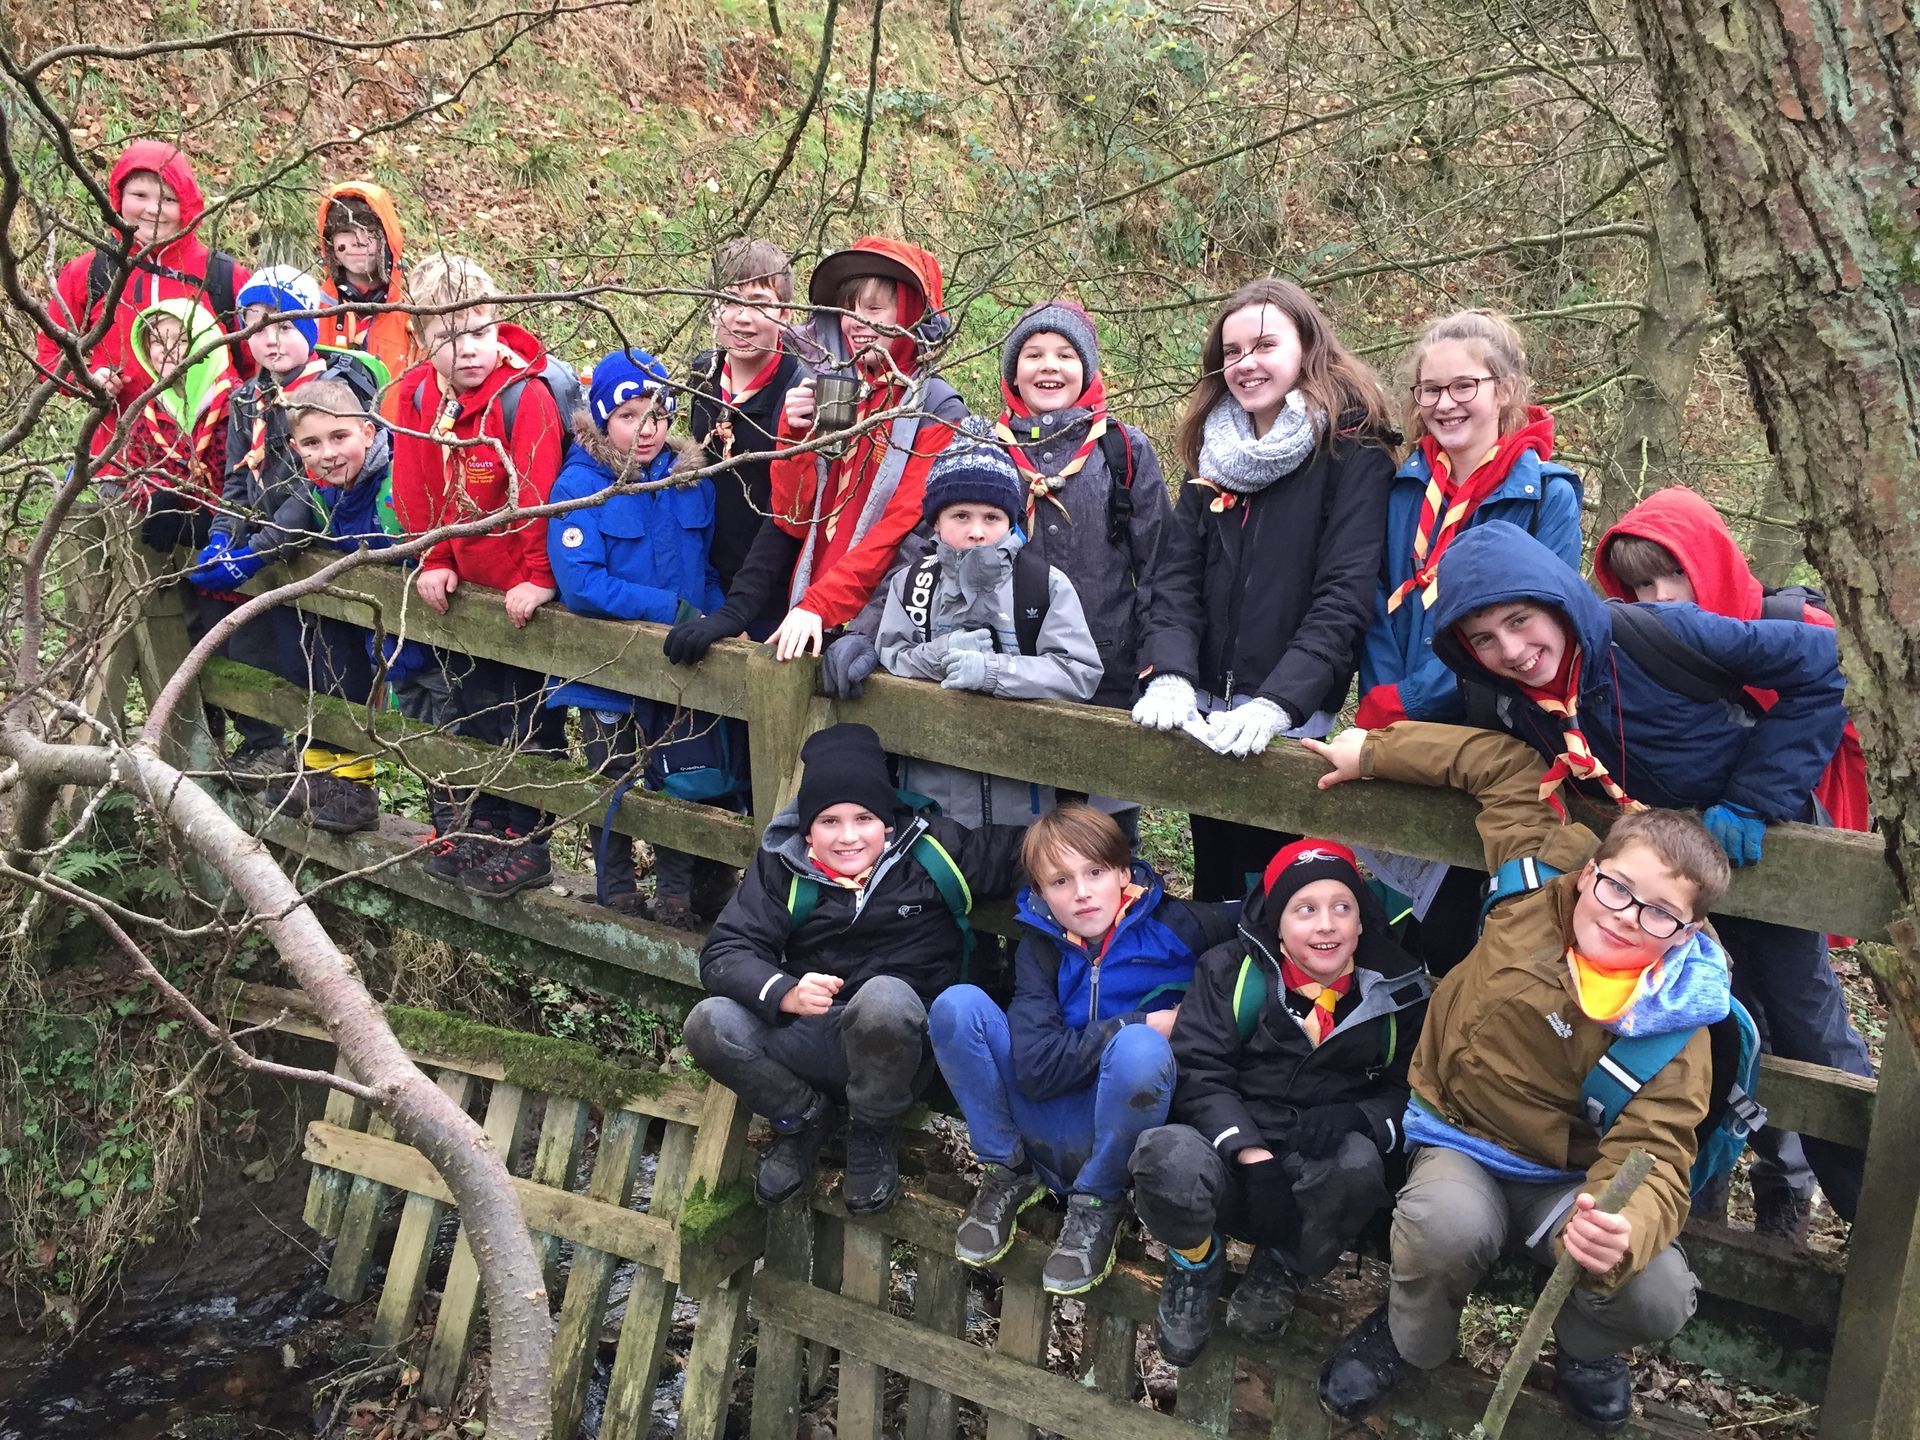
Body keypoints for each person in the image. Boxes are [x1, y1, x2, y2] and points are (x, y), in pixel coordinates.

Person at [1308, 722, 1731, 1433]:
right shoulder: (1537, 882)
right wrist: (1374, 751)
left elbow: (1657, 1150)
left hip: (1568, 1180)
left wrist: (1618, 1228)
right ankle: (1412, 1342)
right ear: (1592, 870)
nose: (1627, 918)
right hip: (1461, 1137)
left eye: (1660, 913)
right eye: (1618, 888)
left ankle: (1587, 1350)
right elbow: (1497, 765)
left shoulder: (1677, 1023)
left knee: (1654, 1292)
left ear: (1686, 933)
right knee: (1441, 1227)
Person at [1593, 485, 1874, 1239]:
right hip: (1686, 870)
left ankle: (1863, 1217)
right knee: (1717, 1019)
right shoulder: (1645, 650)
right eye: (1639, 587)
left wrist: (1754, 798)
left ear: (1708, 565)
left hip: (1776, 854)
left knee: (1807, 1026)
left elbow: (1829, 687)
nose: (1658, 600)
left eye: (1670, 578)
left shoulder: (1772, 627)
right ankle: (1706, 1199)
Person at [685, 723, 1026, 1214]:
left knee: (884, 997)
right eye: (829, 821)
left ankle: (871, 1129)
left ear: (886, 822)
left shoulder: (934, 853)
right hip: (816, 1029)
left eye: (863, 818)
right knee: (710, 1023)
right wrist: (784, 991)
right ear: (807, 829)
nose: (848, 837)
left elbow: (1036, 852)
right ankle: (802, 1117)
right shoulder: (783, 866)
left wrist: (1111, 875)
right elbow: (724, 951)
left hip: (903, 1044)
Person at [1131, 278, 1396, 900]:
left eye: (1264, 345)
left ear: (1307, 346)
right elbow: (1175, 578)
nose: (1245, 364)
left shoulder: (1352, 453)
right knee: (1217, 881)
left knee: (1280, 886)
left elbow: (1343, 593)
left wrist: (1279, 701)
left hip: (1287, 715)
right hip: (1205, 713)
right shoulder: (1214, 452)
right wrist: (1170, 673)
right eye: (1231, 351)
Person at [1131, 839, 1428, 1365]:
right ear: (1276, 922)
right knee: (1161, 1154)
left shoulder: (1400, 992)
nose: (1327, 926)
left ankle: (1283, 1266)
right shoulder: (1229, 971)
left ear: (1361, 921)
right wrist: (1249, 1152)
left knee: (1359, 1166)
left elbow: (1414, 1093)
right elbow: (1200, 1071)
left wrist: (1358, 1116)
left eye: (1343, 907)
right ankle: (1195, 1261)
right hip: (1227, 1147)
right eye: (1305, 910)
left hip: (1312, 1167)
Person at [1353, 310, 1584, 974]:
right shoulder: (1403, 486)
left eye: (1464, 387)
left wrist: (1416, 701)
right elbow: (1377, 599)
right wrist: (1383, 693)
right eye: (1430, 390)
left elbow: (1538, 632)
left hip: (1486, 728)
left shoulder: (1547, 495)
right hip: (1391, 715)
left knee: (1465, 916)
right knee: (1394, 906)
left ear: (1504, 390)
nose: (1444, 404)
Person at [931, 804, 1239, 1296]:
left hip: (1116, 1130)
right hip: (1040, 1117)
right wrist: (1137, 1022)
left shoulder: (1179, 926)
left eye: (1095, 872)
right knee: (956, 1006)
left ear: (1123, 870)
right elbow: (1033, 1067)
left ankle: (1098, 1199)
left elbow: (1273, 910)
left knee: (1140, 1051)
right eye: (1059, 881)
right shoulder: (1043, 947)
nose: (1081, 892)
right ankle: (1008, 1169)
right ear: (1039, 893)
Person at [663, 237, 968, 668]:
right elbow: (797, 514)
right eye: (849, 308)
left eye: (875, 309)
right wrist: (793, 435)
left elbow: (901, 533)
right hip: (806, 614)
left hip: (875, 628)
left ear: (910, 313)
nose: (856, 322)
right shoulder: (842, 391)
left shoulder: (935, 409)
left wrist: (827, 609)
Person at [388, 253, 569, 899]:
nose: (469, 350)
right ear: (422, 339)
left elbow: (538, 494)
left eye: (481, 331)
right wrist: (431, 558)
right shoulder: (412, 398)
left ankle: (528, 838)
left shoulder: (526, 394)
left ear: (498, 324)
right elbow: (412, 487)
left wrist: (539, 576)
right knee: (470, 710)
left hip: (519, 588)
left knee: (526, 718)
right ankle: (484, 826)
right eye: (448, 337)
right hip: (462, 588)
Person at [543, 348, 740, 928]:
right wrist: (670, 611)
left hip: (682, 668)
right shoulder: (581, 485)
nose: (645, 429)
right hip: (611, 668)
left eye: (656, 414)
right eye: (628, 415)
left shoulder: (690, 480)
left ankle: (678, 896)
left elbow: (704, 567)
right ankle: (617, 888)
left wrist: (714, 619)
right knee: (614, 778)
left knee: (684, 780)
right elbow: (581, 584)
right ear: (604, 418)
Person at [189, 265, 381, 788]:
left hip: (312, 551)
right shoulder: (246, 397)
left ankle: (327, 773)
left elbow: (308, 493)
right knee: (259, 649)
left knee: (319, 664)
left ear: (310, 328)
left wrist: (255, 551)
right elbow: (236, 476)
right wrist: (223, 535)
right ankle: (271, 751)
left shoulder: (325, 395)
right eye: (255, 323)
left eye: (284, 324)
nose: (269, 338)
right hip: (263, 545)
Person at [871, 426, 1102, 826]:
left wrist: (994, 672)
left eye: (992, 517)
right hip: (929, 801)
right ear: (937, 522)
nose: (977, 530)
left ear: (1011, 521)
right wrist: (939, 655)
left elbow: (1078, 672)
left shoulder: (1042, 586)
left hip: (1023, 804)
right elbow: (892, 656)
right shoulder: (910, 585)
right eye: (961, 515)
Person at [37, 141, 252, 465]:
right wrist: (87, 380)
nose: (153, 209)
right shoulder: (90, 272)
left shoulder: (223, 275)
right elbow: (50, 355)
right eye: (140, 196)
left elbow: (257, 365)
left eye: (168, 199)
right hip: (118, 461)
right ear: (119, 198)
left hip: (214, 462)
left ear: (188, 204)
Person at [263, 377, 403, 834]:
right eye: (312, 443)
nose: (328, 453)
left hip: (402, 629)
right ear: (295, 446)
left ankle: (355, 786)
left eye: (339, 437)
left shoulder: (390, 481)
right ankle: (320, 772)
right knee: (318, 660)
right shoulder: (320, 490)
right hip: (344, 622)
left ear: (367, 429)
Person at [684, 238, 805, 628]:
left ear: (785, 312)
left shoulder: (799, 393)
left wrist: (739, 609)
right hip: (707, 582)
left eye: (758, 302)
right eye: (729, 300)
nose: (742, 317)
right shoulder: (701, 377)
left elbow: (789, 513)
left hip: (772, 596)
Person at [98, 297, 237, 551]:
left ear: (206, 344)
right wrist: (160, 498)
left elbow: (248, 478)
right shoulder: (149, 410)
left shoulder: (236, 404)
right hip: (176, 552)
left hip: (231, 540)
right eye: (155, 340)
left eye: (181, 340)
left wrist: (219, 518)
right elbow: (134, 469)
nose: (166, 348)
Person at [315, 181, 416, 401]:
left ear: (388, 240)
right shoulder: (311, 310)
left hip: (395, 432)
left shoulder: (413, 314)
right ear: (330, 242)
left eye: (370, 232)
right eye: (345, 231)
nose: (359, 242)